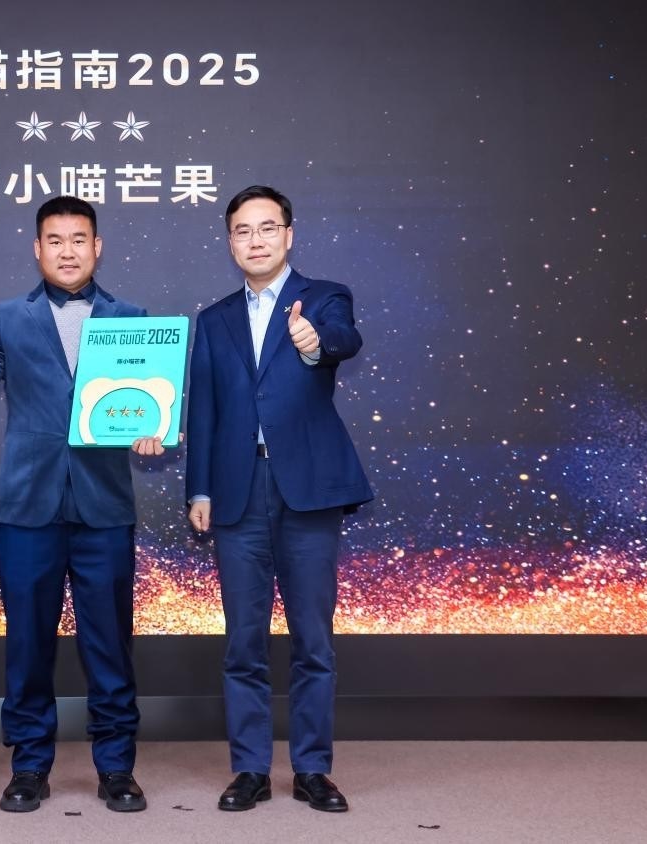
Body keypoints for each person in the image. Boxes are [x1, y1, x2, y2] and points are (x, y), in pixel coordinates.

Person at [0, 195, 165, 814]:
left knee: (110, 645)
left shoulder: (132, 318)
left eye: (78, 239)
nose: (67, 251)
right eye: (55, 240)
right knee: (27, 646)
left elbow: (147, 402)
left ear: (97, 247)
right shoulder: (5, 317)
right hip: (28, 507)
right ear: (37, 248)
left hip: (105, 507)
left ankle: (117, 767)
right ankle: (28, 766)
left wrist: (150, 429)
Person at [185, 185, 373, 814]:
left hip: (308, 491)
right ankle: (250, 769)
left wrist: (313, 342)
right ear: (230, 242)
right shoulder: (213, 319)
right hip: (237, 493)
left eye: (267, 228)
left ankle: (313, 769)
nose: (256, 240)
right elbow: (205, 409)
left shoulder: (324, 297)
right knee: (243, 642)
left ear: (289, 235)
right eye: (243, 230)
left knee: (313, 640)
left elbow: (344, 339)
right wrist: (200, 488)